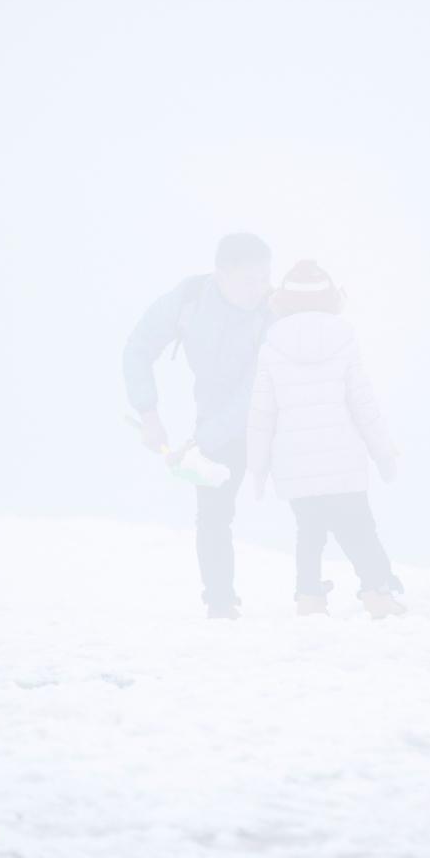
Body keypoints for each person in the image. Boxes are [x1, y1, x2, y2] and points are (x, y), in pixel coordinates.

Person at [124, 233, 273, 619]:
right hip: (212, 421)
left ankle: (345, 591)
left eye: (263, 278)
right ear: (220, 276)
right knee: (213, 514)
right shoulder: (188, 301)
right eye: (247, 281)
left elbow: (252, 395)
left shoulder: (271, 313)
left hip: (270, 418)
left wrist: (196, 441)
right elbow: (138, 348)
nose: (258, 289)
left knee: (318, 494)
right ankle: (221, 605)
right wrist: (148, 413)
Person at [246, 260, 405, 618]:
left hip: (293, 460)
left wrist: (257, 467)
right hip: (342, 458)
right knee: (360, 527)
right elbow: (363, 404)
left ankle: (309, 598)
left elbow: (261, 414)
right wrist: (383, 453)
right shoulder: (345, 339)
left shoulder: (271, 346)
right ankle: (377, 593)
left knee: (309, 532)